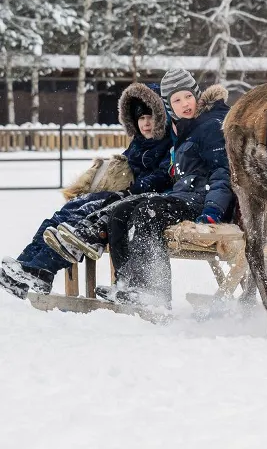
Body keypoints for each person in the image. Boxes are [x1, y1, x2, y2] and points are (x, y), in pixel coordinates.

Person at [67, 68, 234, 308]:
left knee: (148, 212)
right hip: (186, 196)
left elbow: (223, 172)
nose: (185, 104)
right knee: (120, 211)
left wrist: (213, 211)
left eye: (188, 96)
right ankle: (127, 284)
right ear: (168, 106)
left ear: (197, 94)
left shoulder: (210, 125)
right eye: (176, 100)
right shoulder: (185, 129)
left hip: (206, 203)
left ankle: (154, 291)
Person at [0, 83, 172, 298]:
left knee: (79, 220)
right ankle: (26, 264)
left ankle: (42, 269)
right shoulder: (138, 143)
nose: (146, 123)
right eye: (141, 118)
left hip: (138, 198)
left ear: (161, 116)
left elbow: (164, 176)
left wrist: (132, 186)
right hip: (122, 192)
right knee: (65, 213)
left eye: (150, 117)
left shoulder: (168, 143)